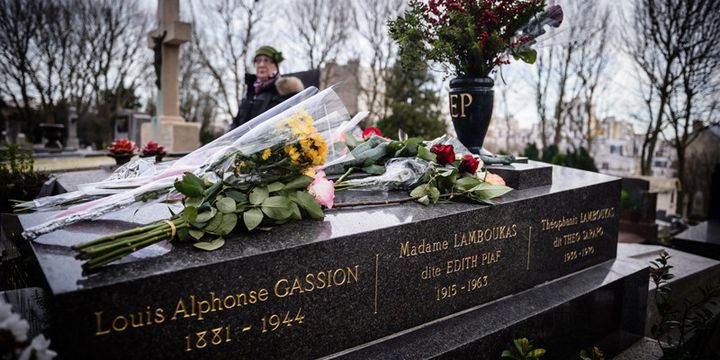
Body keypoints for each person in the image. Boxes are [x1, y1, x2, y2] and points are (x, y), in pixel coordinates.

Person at [230, 45, 304, 130]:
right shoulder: (249, 91)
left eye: (266, 60)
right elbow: (237, 122)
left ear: (275, 65)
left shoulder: (287, 91)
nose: (261, 64)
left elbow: (293, 123)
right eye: (258, 61)